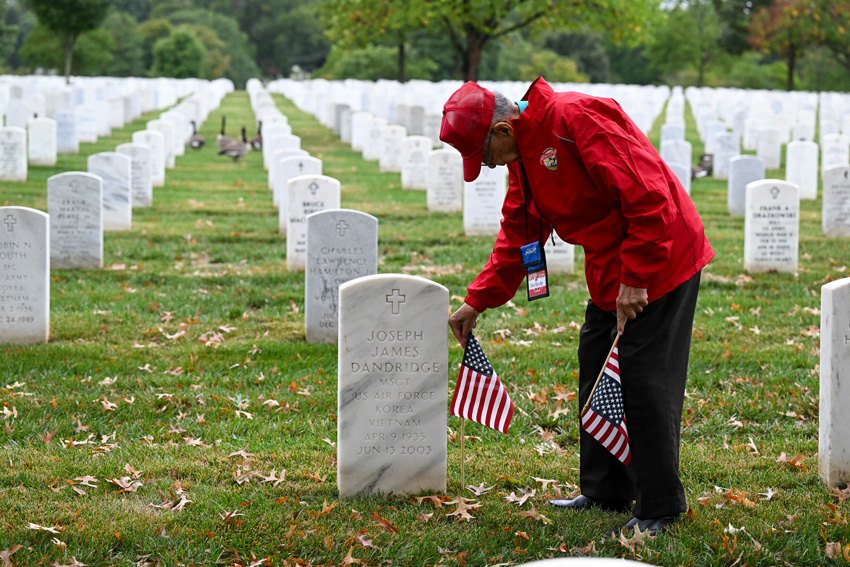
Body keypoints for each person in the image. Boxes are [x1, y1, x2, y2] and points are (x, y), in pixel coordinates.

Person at [440, 78, 714, 537]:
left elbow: (650, 199)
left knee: (644, 378)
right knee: (595, 362)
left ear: (504, 131)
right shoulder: (524, 153)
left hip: (661, 259)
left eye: (483, 155)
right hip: (611, 269)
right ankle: (606, 489)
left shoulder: (577, 119)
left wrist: (636, 277)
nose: (486, 165)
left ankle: (660, 507)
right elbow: (518, 234)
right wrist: (477, 300)